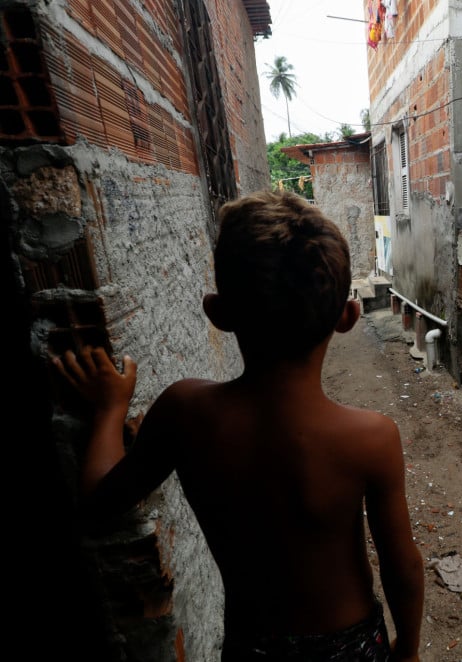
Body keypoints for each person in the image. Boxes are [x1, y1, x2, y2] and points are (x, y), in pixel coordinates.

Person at [54, 190, 424, 661]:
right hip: (350, 647)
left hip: (252, 647)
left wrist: (109, 410)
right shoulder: (372, 438)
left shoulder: (185, 412)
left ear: (218, 312)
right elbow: (402, 566)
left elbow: (99, 500)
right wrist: (408, 651)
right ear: (348, 317)